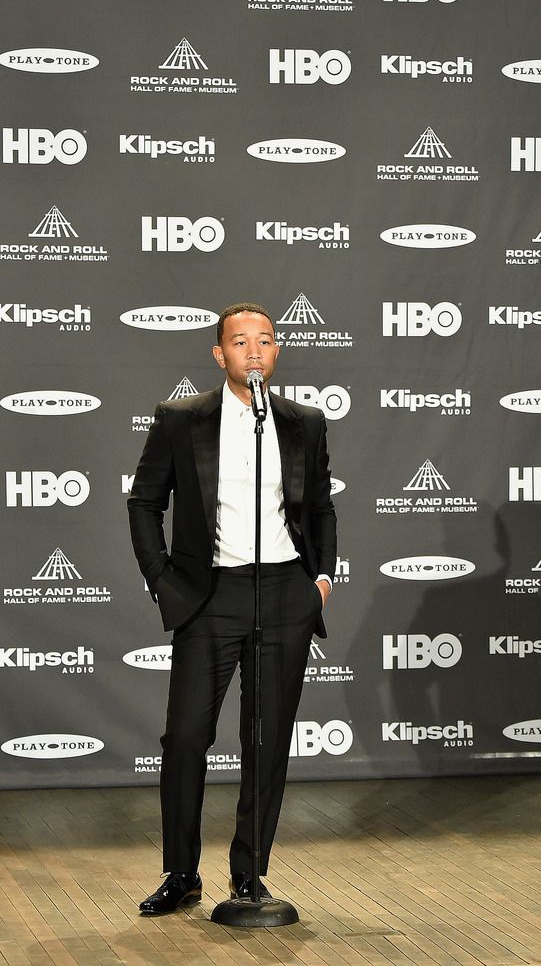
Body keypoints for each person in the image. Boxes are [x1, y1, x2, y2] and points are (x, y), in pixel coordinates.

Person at [128, 302, 337, 914]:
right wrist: (161, 579)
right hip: (209, 594)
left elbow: (322, 507)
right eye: (240, 342)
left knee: (268, 739)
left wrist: (319, 579)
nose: (254, 351)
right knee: (187, 736)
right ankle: (181, 873)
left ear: (276, 353)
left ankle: (250, 874)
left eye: (265, 341)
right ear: (220, 356)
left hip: (283, 593)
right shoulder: (181, 419)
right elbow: (144, 502)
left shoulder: (305, 422)